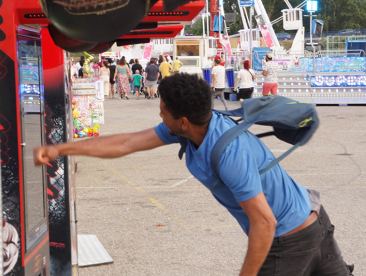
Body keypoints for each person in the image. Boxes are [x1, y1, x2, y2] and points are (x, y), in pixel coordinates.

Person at [34, 73, 353, 276]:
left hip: (289, 237)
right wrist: (61, 149)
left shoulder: (229, 154)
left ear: (182, 120)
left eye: (163, 111)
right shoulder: (191, 129)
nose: (160, 115)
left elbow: (264, 222)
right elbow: (127, 142)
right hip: (311, 217)